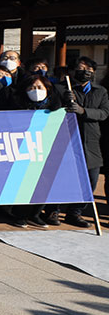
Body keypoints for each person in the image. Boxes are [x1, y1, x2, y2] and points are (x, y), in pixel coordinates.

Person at [51, 57, 109, 228]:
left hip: (91, 142)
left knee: (89, 181)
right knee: (62, 178)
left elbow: (104, 113)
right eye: (80, 68)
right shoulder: (61, 89)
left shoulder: (100, 91)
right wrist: (63, 101)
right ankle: (54, 209)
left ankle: (75, 212)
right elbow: (51, 109)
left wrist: (83, 111)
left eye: (89, 69)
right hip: (66, 139)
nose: (84, 71)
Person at [6, 75, 61, 229]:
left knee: (45, 183)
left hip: (48, 151)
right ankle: (20, 215)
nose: (35, 91)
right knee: (24, 183)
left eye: (39, 88)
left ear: (47, 89)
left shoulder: (56, 108)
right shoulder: (16, 107)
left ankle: (35, 214)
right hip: (24, 150)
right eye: (31, 88)